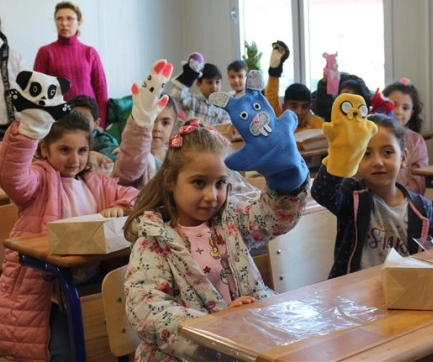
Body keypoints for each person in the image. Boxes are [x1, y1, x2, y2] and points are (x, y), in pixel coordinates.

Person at [123, 116, 309, 360]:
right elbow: (146, 308)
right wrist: (218, 326)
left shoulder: (231, 220)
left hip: (245, 346)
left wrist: (287, 182)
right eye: (199, 182)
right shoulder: (154, 240)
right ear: (170, 181)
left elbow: (273, 217)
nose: (212, 195)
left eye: (220, 183)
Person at [0, 71, 138, 361]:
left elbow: (133, 196)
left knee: (109, 338)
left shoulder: (93, 182)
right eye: (64, 150)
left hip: (89, 283)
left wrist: (121, 206)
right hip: (46, 291)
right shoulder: (40, 181)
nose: (75, 159)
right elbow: (11, 176)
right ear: (44, 148)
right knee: (65, 351)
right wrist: (29, 130)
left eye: (82, 150)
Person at [311, 103, 433, 279]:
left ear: (403, 158)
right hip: (354, 294)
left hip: (403, 293)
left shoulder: (422, 209)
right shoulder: (351, 196)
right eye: (366, 153)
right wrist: (339, 154)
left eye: (387, 152)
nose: (378, 162)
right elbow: (321, 192)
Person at [33, 1, 109, 127]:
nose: (64, 23)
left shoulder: (90, 52)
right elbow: (37, 91)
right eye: (59, 19)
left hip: (88, 118)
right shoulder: (45, 52)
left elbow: (101, 90)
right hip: (58, 119)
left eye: (69, 19)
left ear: (79, 22)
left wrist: (101, 124)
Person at [113, 59, 180, 188]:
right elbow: (126, 172)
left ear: (174, 125)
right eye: (153, 121)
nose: (157, 128)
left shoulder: (177, 157)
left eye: (165, 122)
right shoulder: (129, 155)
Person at [264, 41, 325, 132]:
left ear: (310, 108)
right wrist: (275, 70)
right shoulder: (279, 117)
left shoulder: (314, 123)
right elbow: (271, 95)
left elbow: (327, 132)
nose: (299, 112)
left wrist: (310, 118)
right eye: (293, 106)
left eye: (304, 107)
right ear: (284, 107)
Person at [382, 78, 428, 194]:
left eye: (405, 108)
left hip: (405, 201)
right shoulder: (371, 135)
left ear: (411, 113)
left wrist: (398, 198)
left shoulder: (416, 140)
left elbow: (419, 180)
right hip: (373, 200)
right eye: (393, 105)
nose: (398, 112)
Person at [166, 53, 230, 125]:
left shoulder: (222, 109)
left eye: (217, 82)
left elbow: (226, 127)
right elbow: (176, 95)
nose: (214, 87)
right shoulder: (193, 101)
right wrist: (190, 73)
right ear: (198, 84)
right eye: (209, 82)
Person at [67, 95, 119, 172]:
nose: (78, 123)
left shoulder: (102, 139)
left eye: (84, 119)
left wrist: (92, 155)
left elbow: (114, 152)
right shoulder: (65, 137)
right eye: (74, 118)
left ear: (96, 123)